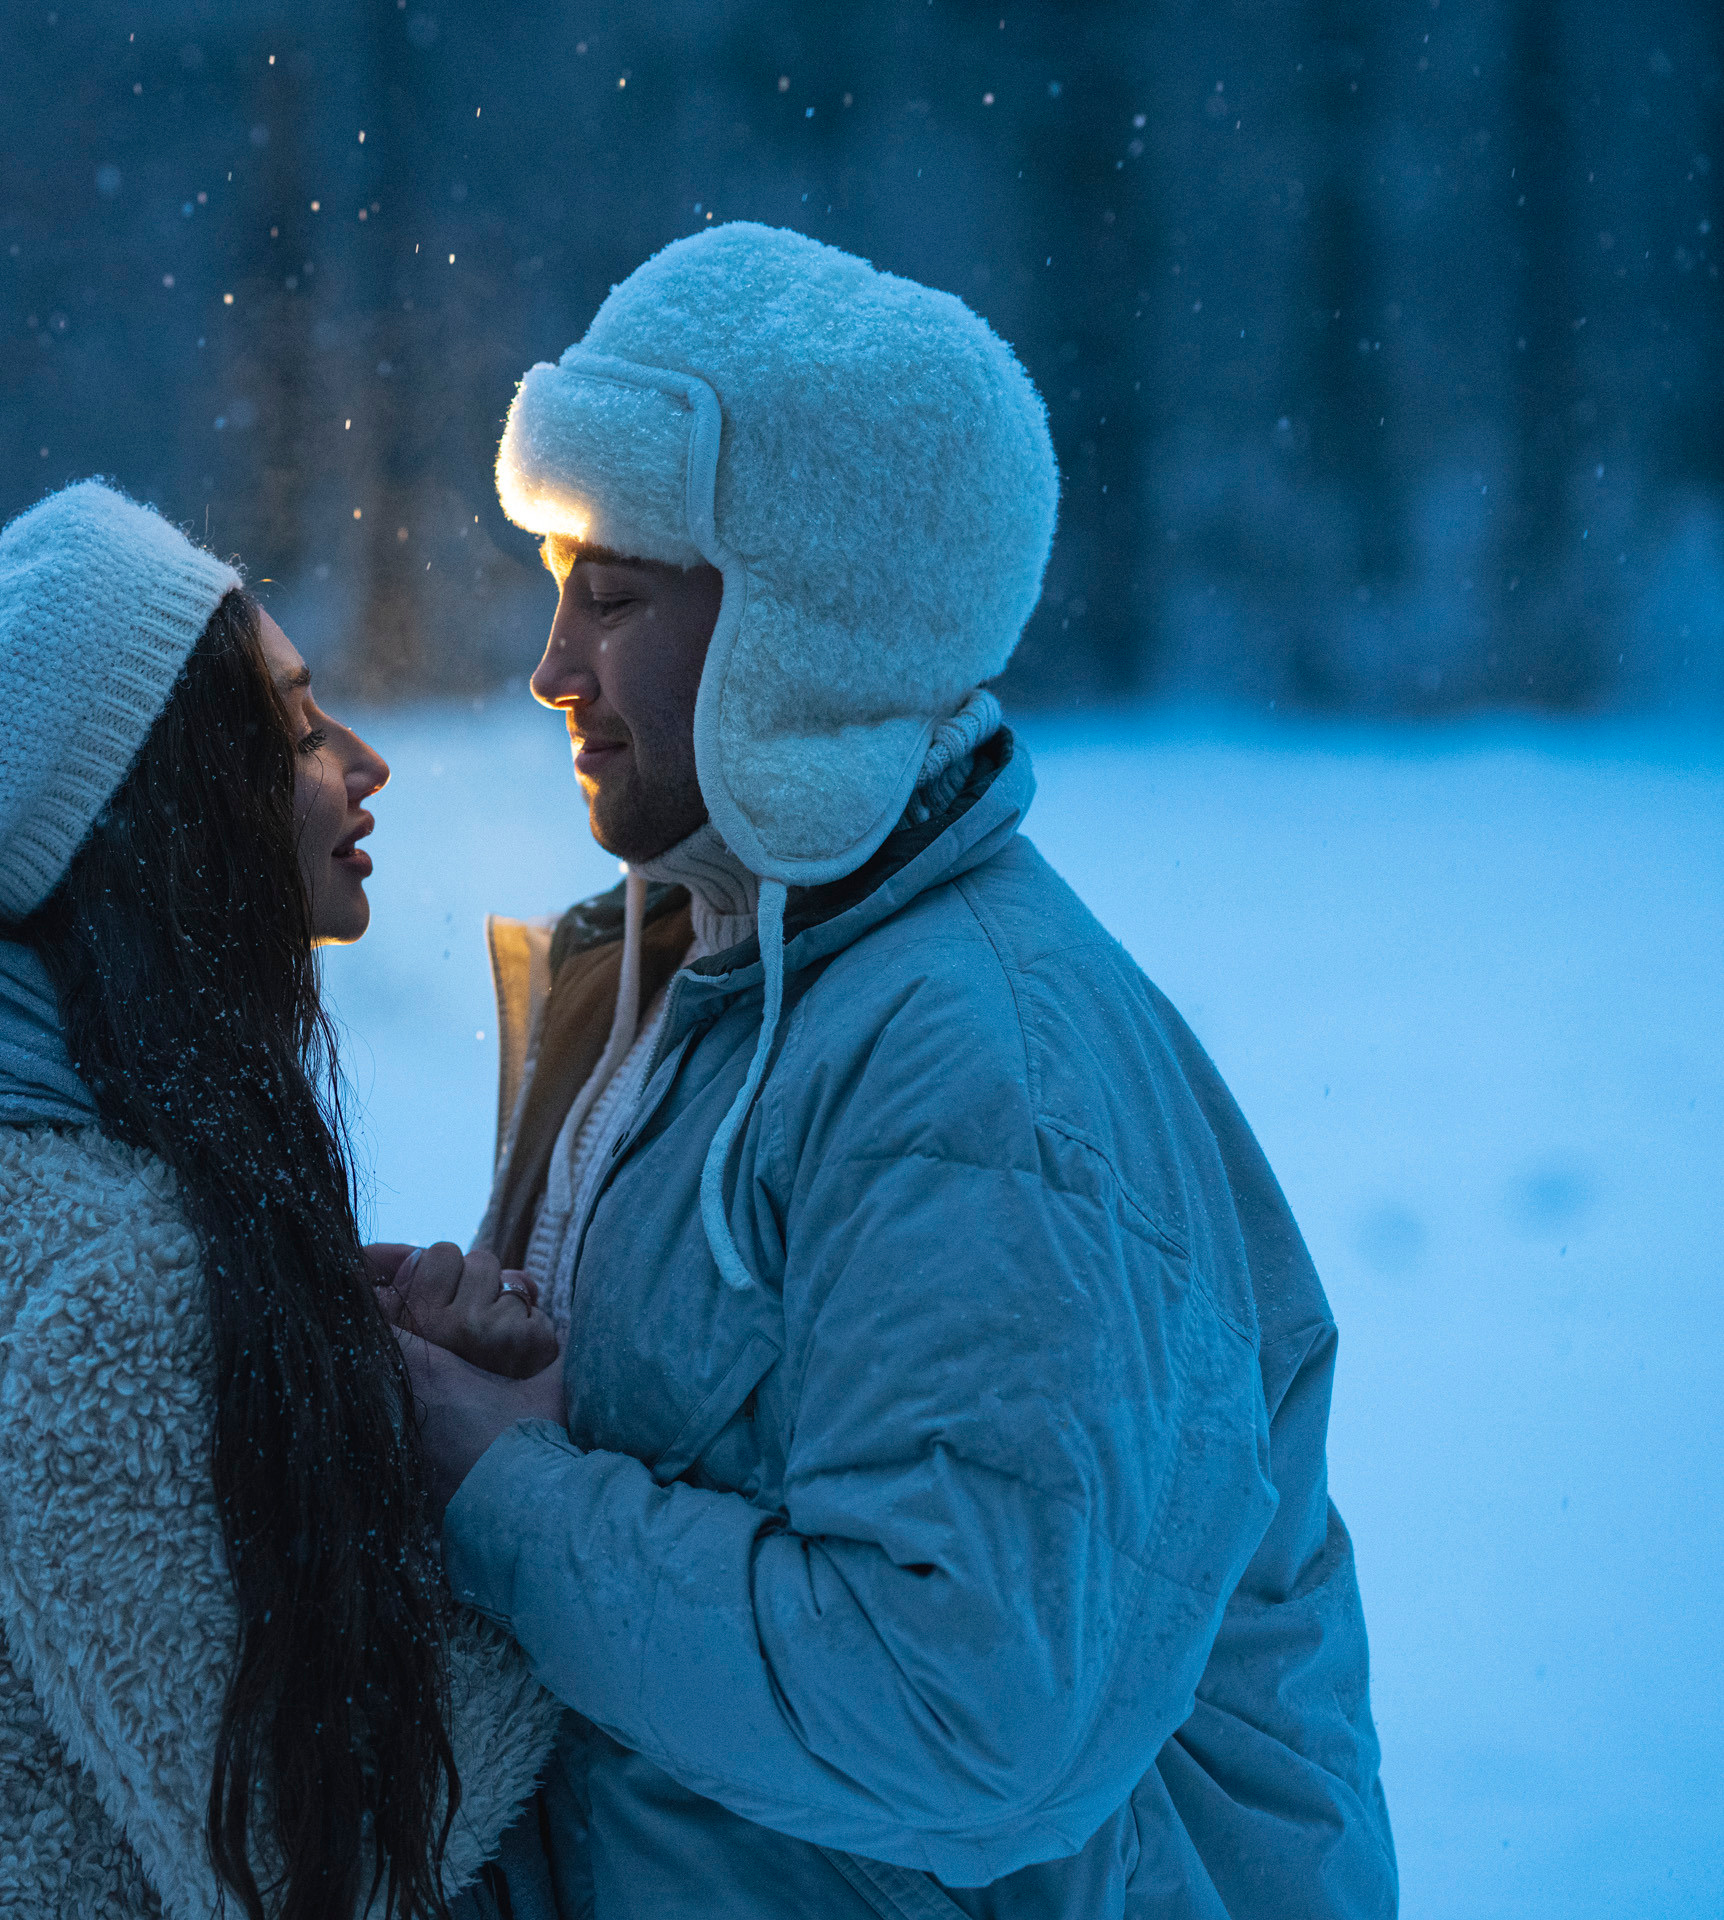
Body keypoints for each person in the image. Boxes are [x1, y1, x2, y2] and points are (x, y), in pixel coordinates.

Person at [379, 225, 1397, 1916]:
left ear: (807, 625)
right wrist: (493, 1384)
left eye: (614, 597)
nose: (553, 666)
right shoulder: (673, 979)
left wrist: (497, 1485)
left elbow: (957, 1718)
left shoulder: (982, 1072)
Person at [0, 480, 558, 1920]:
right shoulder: (94, 1276)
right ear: (168, 803)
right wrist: (533, 1525)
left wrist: (350, 1401)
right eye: (297, 728)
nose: (363, 762)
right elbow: (324, 1868)